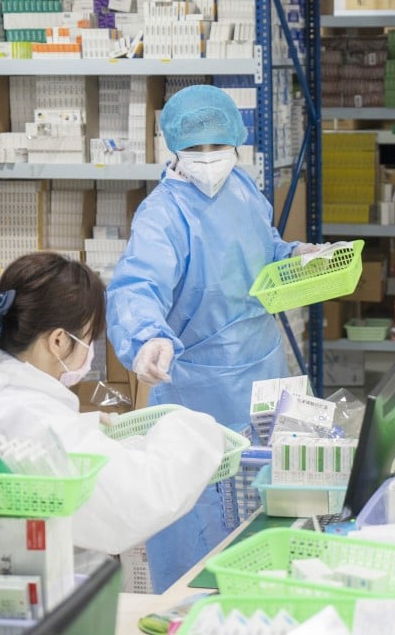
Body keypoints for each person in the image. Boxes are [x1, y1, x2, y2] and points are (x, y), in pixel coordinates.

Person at [106, 84, 316, 590]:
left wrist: (295, 257)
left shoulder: (242, 189)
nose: (208, 158)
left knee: (270, 510)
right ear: (174, 148)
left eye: (217, 145)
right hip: (200, 391)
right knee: (205, 524)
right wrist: (147, 338)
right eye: (195, 148)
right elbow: (136, 285)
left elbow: (263, 249)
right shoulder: (163, 214)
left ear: (236, 143)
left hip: (264, 372)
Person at [0, 252, 225, 556]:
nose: (89, 351)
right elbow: (138, 498)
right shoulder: (37, 419)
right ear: (59, 341)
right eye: (88, 339)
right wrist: (194, 431)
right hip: (40, 579)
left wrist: (83, 427)